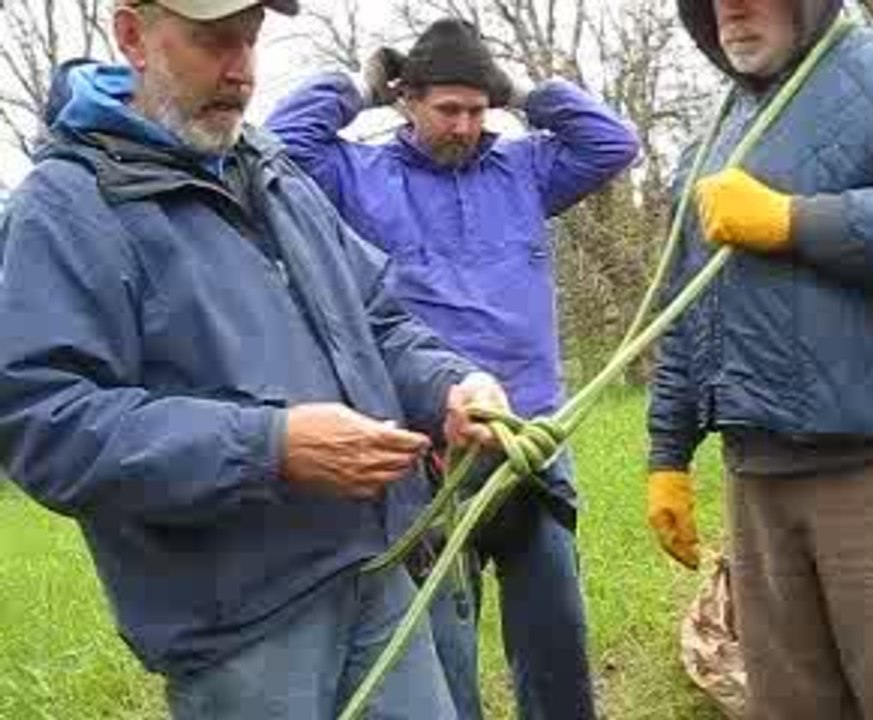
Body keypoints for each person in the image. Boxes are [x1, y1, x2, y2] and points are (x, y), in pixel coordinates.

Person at [0, 1, 513, 718]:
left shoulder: (272, 170)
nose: (242, 72)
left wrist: (450, 387)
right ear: (130, 36)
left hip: (382, 572)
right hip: (243, 632)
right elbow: (45, 424)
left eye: (251, 40)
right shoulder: (66, 208)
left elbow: (379, 321)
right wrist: (270, 448)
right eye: (214, 42)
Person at [267, 17, 639, 720]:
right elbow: (279, 149)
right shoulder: (359, 177)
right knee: (442, 652)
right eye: (448, 109)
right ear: (408, 100)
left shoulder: (526, 170)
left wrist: (524, 93)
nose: (465, 126)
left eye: (477, 109)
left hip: (531, 438)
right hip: (425, 451)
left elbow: (614, 143)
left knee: (556, 634)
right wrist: (356, 89)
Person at [645, 0, 873, 718]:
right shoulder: (710, 140)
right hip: (758, 486)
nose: (732, 10)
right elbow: (684, 313)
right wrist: (667, 455)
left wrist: (795, 221)